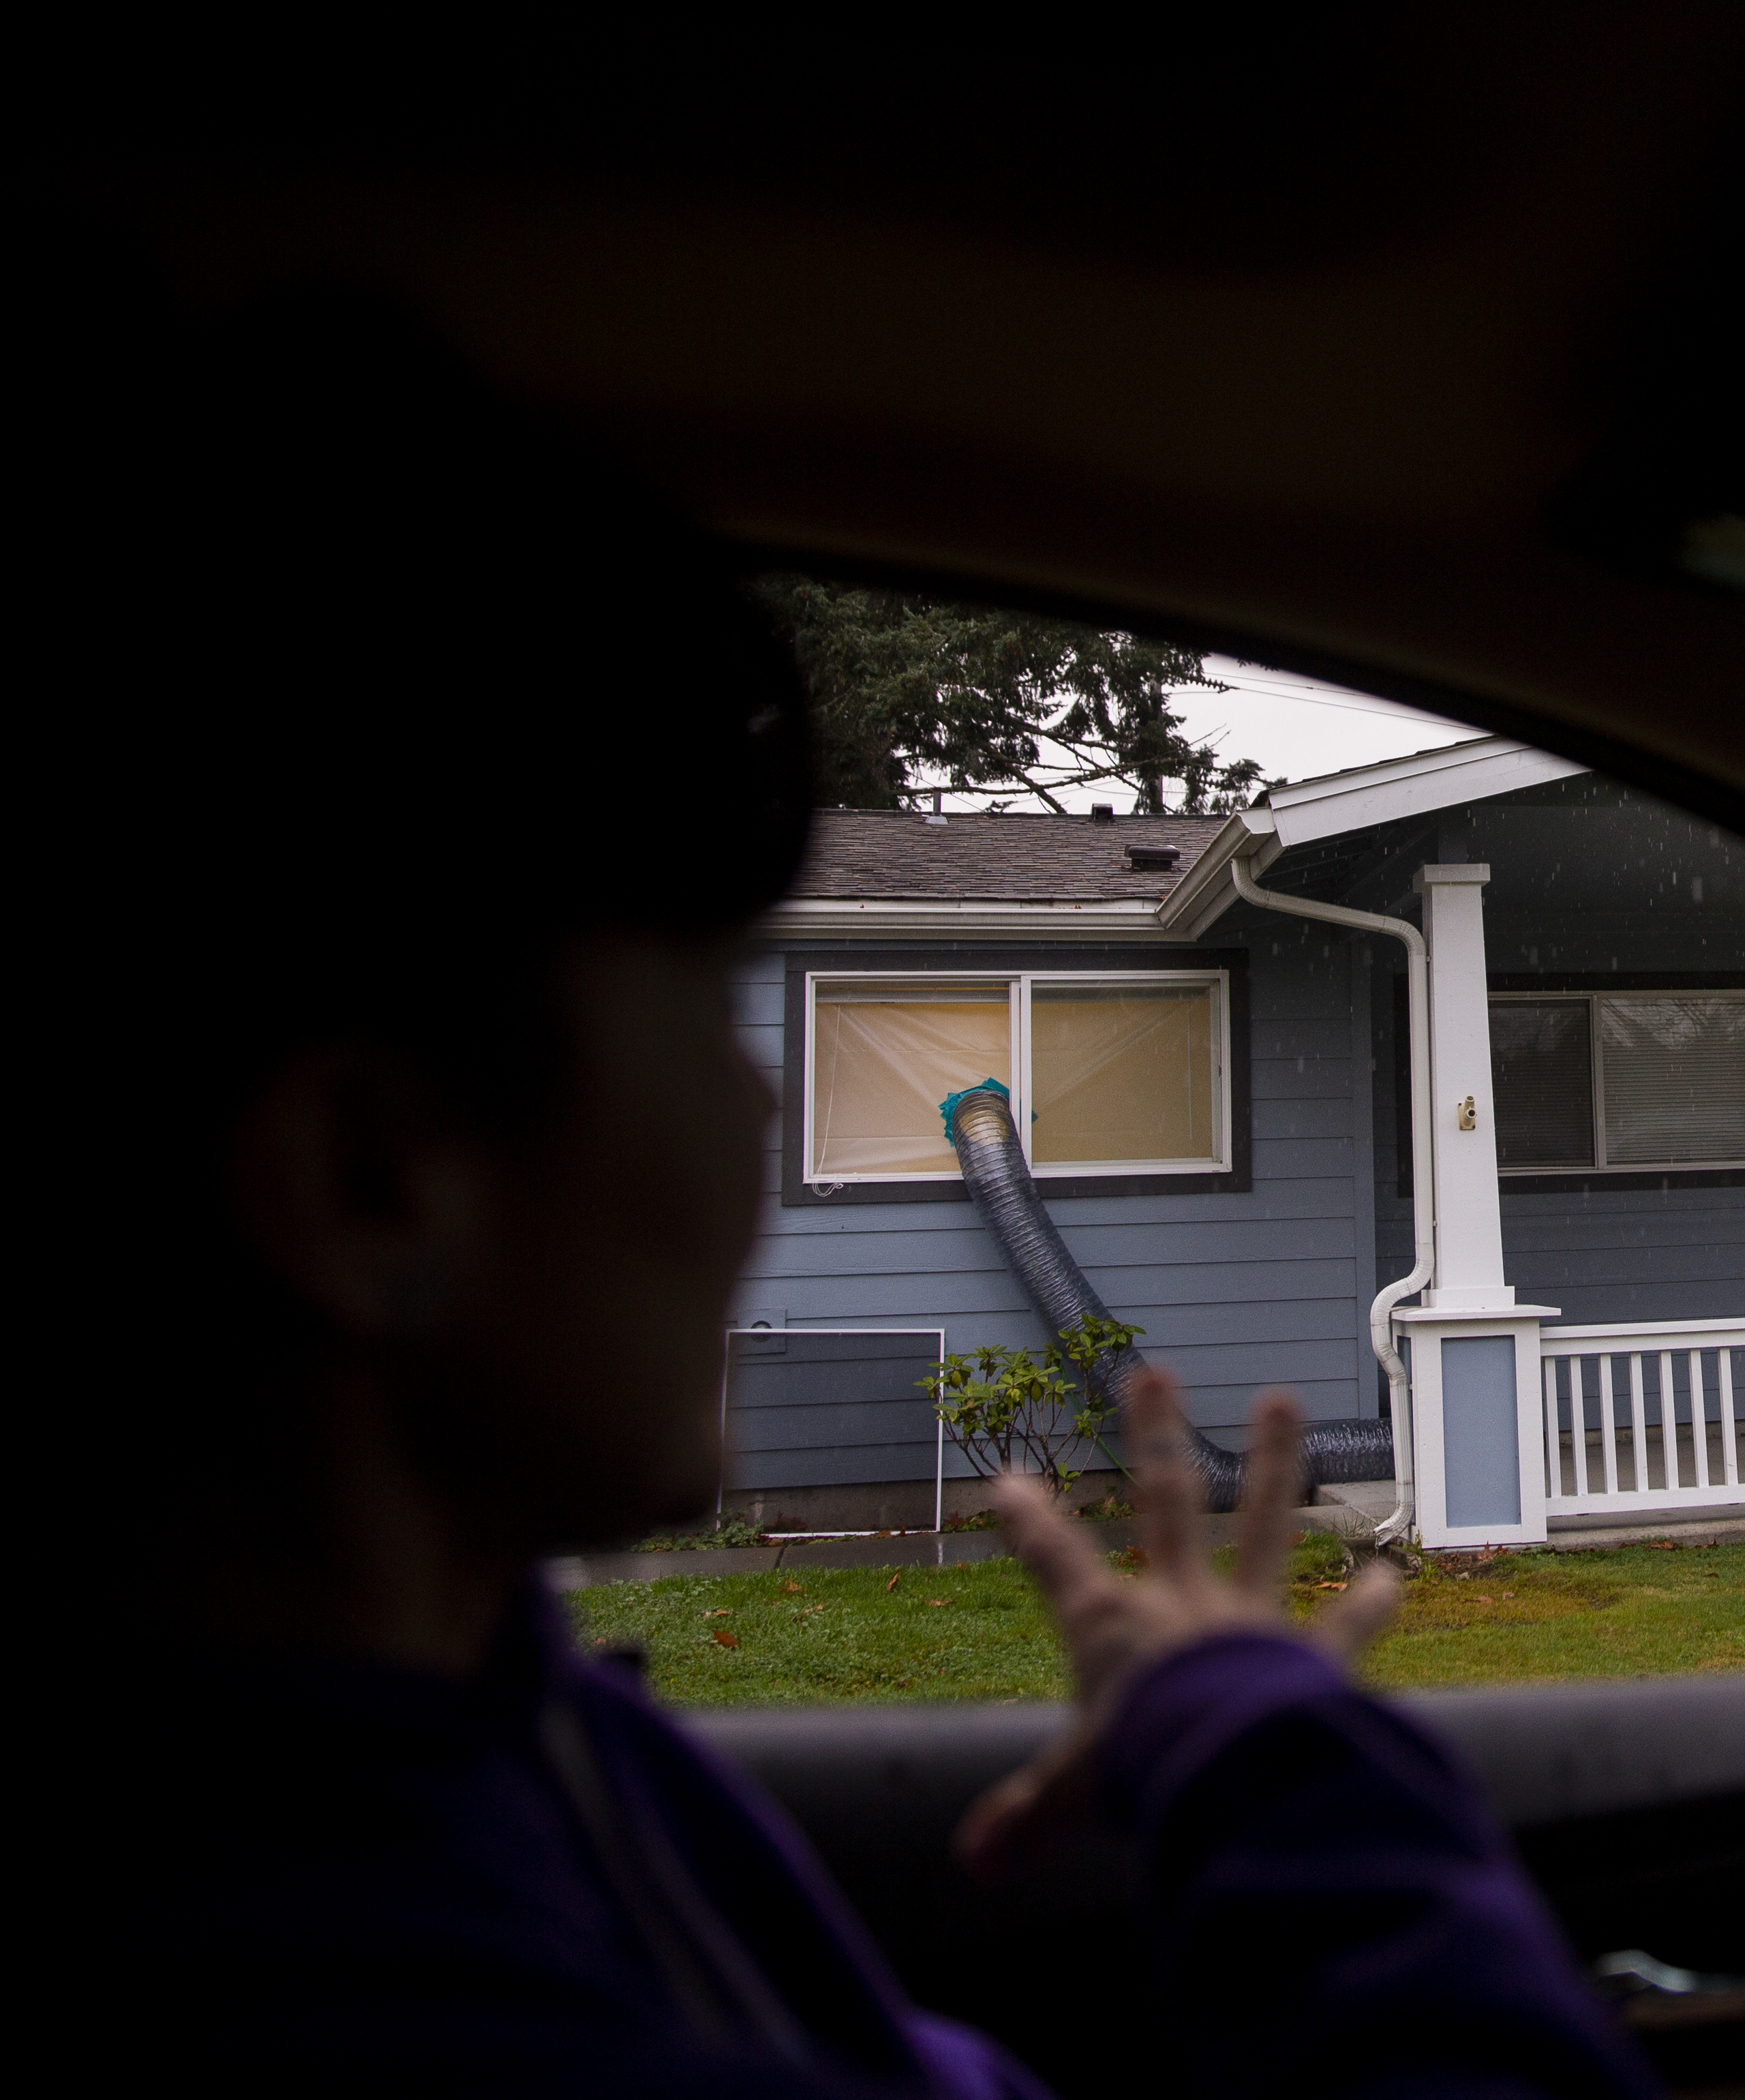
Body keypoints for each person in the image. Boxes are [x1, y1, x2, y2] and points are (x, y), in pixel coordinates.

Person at [90, 290, 1658, 2099]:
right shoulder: (394, 2003)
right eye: (702, 995)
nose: (766, 1087)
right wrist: (1260, 1748)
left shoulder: (509, 1748)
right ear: (364, 1183)